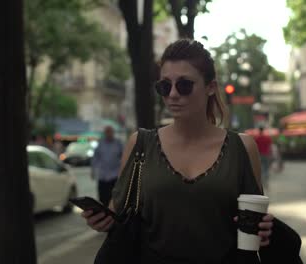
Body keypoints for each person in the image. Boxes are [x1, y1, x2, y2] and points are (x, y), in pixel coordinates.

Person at [82, 39, 274, 263]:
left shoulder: (241, 147)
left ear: (210, 87)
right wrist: (101, 220)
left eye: (184, 85)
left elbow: (255, 219)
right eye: (164, 86)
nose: (172, 94)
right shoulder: (141, 144)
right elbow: (118, 213)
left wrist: (264, 229)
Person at [91, 126, 123, 206]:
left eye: (110, 132)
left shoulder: (118, 144)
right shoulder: (100, 144)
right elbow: (95, 158)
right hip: (103, 176)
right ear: (105, 133)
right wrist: (93, 170)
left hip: (114, 176)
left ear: (113, 133)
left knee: (115, 198)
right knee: (103, 199)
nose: (109, 134)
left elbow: (123, 157)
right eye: (107, 132)